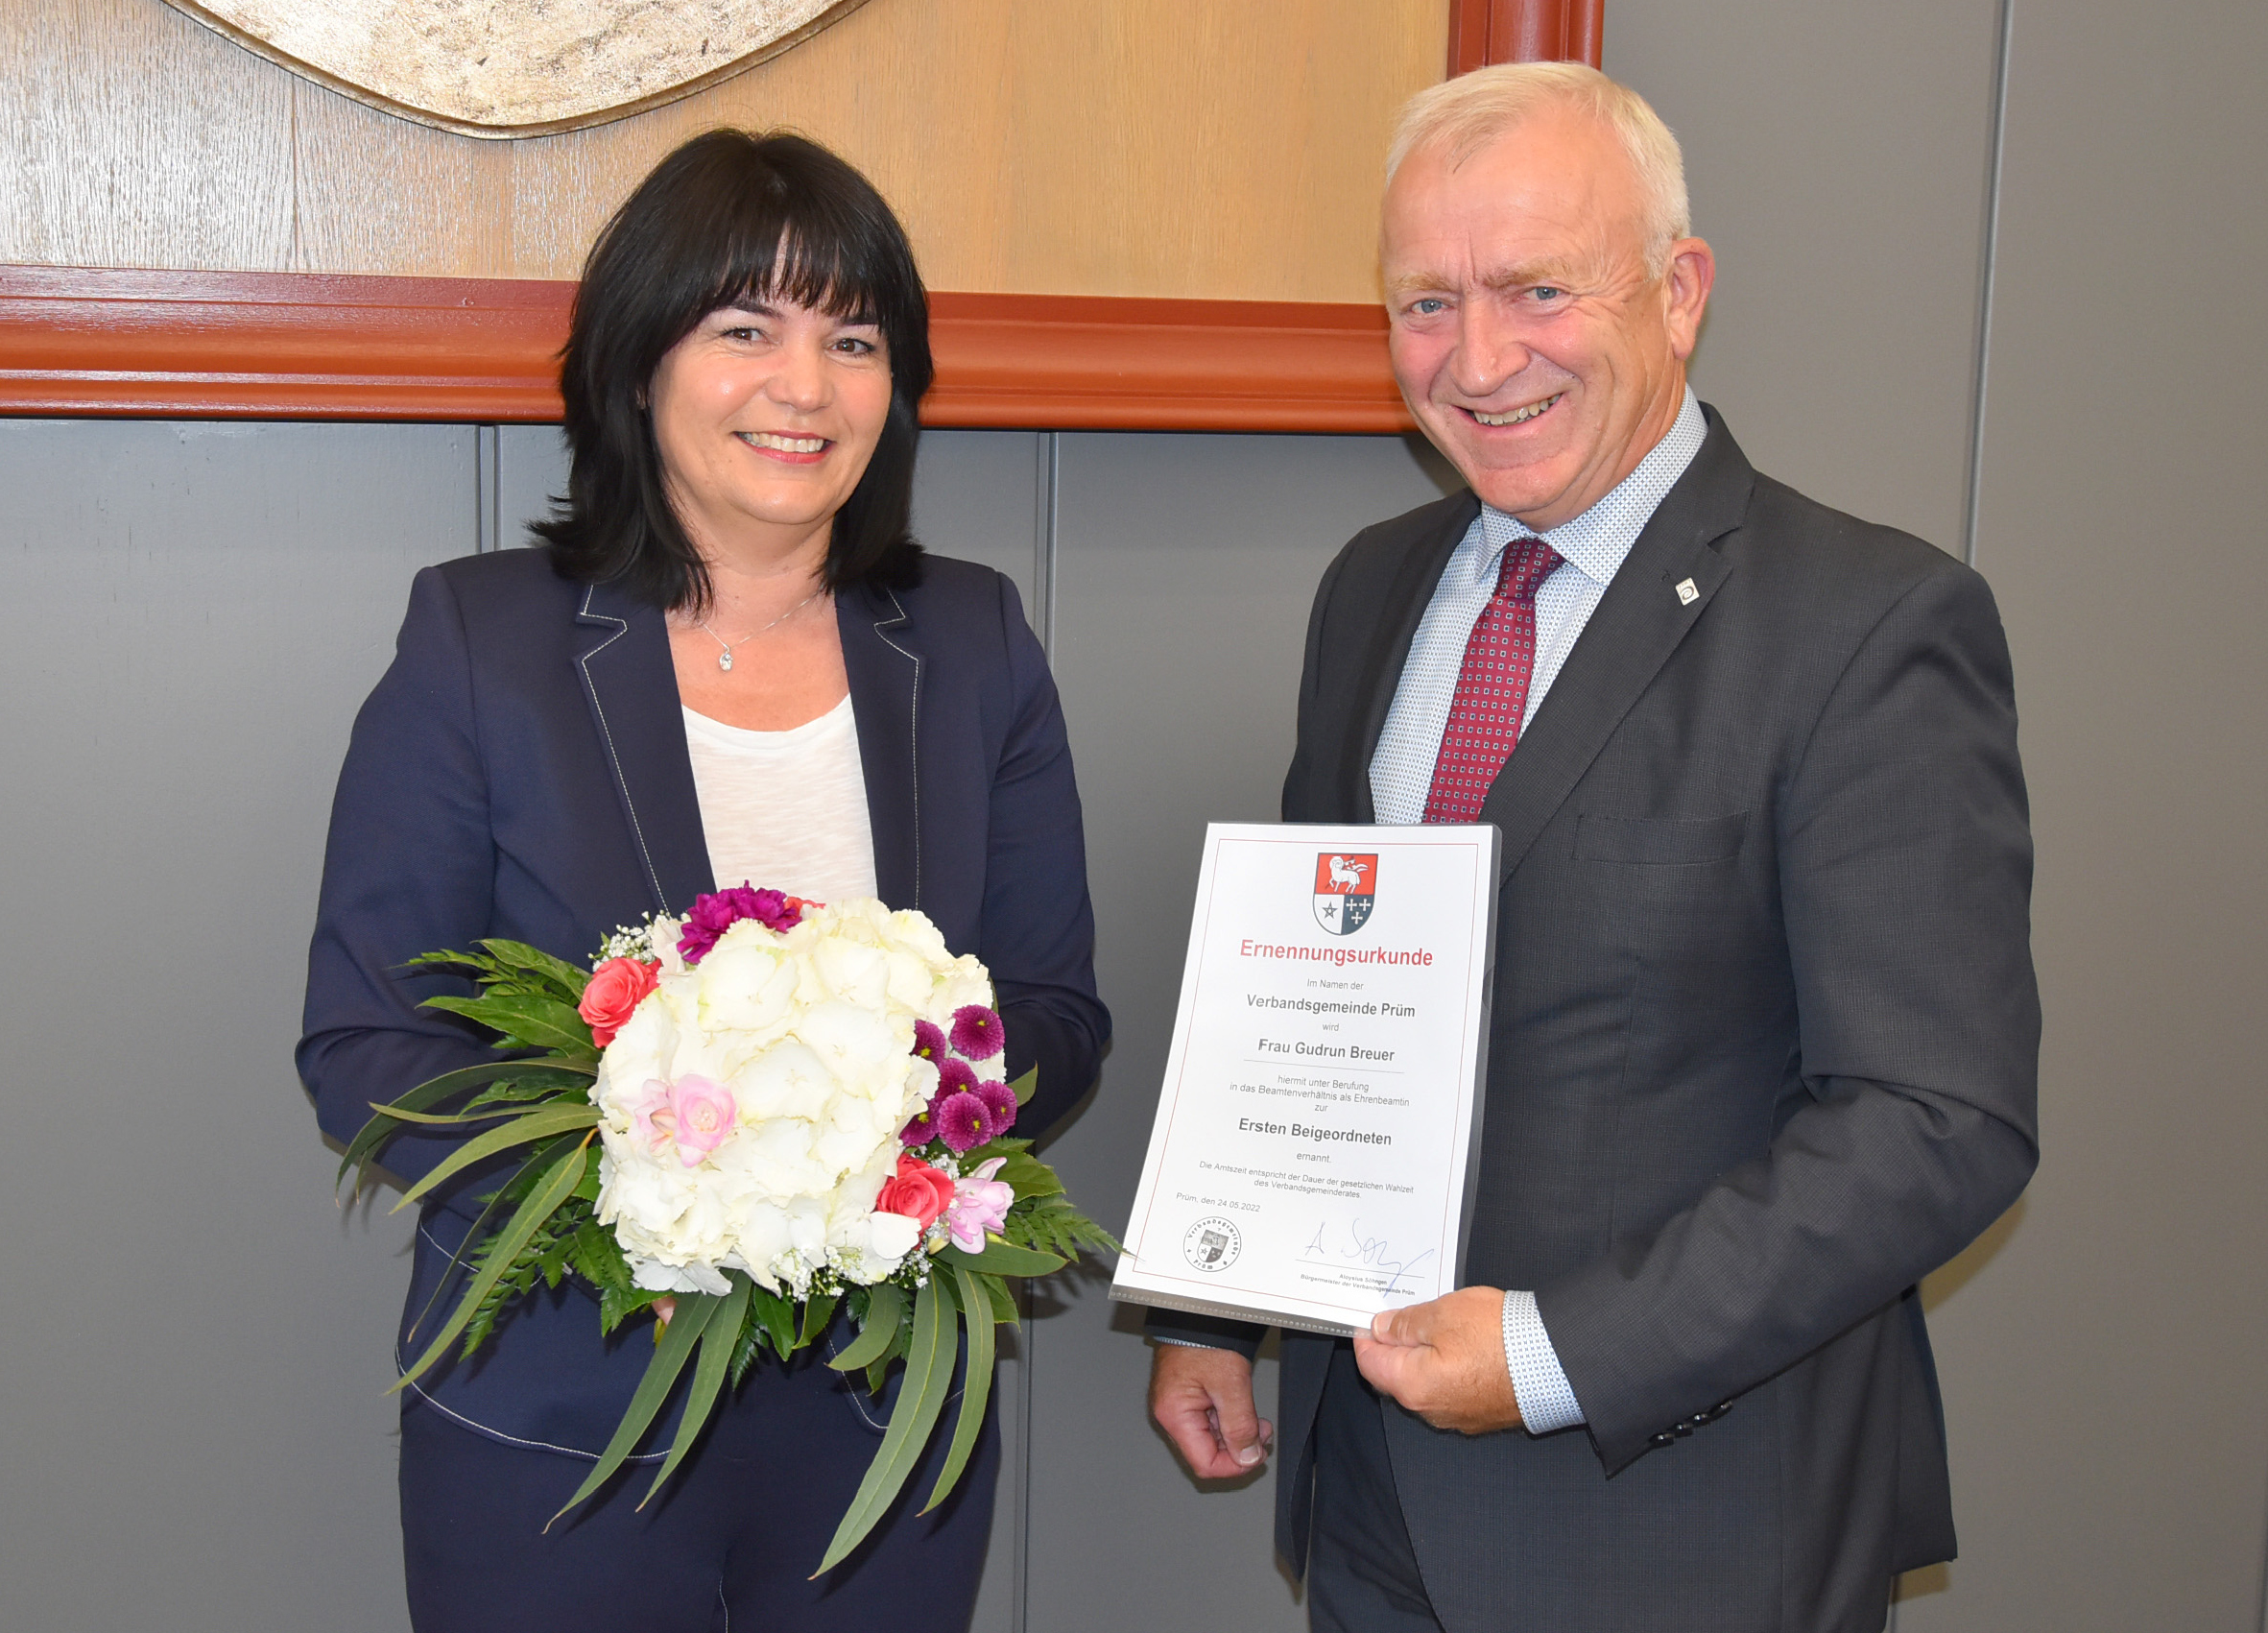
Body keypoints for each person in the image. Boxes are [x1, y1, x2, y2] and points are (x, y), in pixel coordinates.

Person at [1146, 62, 2038, 1633]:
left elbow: (1934, 1118)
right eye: (1427, 303)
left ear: (1678, 293)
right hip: (1370, 1506)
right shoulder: (1375, 587)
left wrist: (1553, 1350)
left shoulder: (1868, 625)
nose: (1480, 358)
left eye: (1539, 288)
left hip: (1682, 1526)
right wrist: (1218, 1293)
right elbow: (1318, 986)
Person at [298, 130, 1109, 1632]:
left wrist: (888, 1121)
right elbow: (367, 1044)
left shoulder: (975, 641)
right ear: (637, 363)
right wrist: (657, 1182)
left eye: (852, 339)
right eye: (746, 328)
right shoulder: (483, 644)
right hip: (560, 1426)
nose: (805, 386)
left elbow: (1056, 1006)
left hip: (883, 1434)